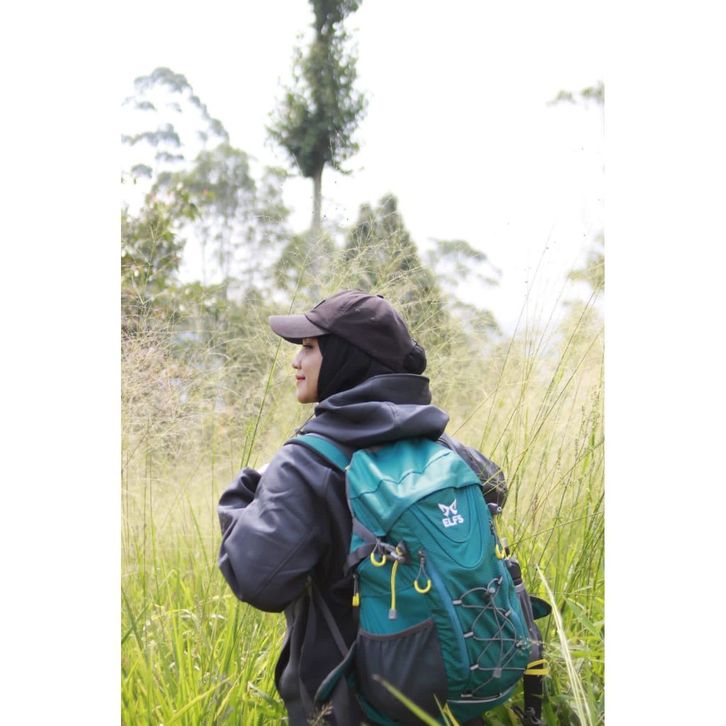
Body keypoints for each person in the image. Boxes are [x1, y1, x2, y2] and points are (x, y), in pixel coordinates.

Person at [217, 290, 508, 725]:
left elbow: (258, 581)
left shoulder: (306, 463)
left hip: (347, 706)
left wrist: (244, 492)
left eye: (309, 347)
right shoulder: (442, 446)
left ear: (346, 357)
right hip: (452, 694)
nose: (296, 360)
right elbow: (495, 488)